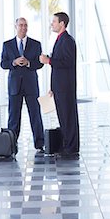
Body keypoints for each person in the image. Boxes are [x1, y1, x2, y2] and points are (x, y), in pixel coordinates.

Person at [0, 17, 45, 153]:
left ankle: (40, 144)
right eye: (21, 25)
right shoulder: (7, 44)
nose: (23, 27)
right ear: (15, 26)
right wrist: (13, 62)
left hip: (31, 85)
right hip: (14, 86)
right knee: (14, 116)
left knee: (35, 115)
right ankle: (11, 145)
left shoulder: (36, 44)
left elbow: (40, 63)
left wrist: (29, 63)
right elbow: (3, 63)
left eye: (25, 25)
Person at [40, 12, 79, 158]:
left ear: (62, 23)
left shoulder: (67, 40)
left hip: (66, 86)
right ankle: (67, 144)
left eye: (54, 22)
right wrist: (53, 87)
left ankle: (71, 146)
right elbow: (59, 64)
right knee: (63, 116)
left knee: (68, 116)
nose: (52, 24)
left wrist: (48, 61)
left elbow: (67, 62)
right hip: (60, 85)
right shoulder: (60, 39)